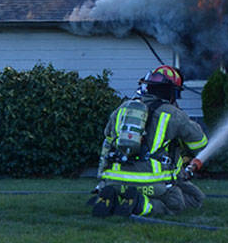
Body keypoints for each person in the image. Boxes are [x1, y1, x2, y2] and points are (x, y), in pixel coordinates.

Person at [88, 65, 208, 218]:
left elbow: (108, 140)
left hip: (114, 180)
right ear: (172, 92)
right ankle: (141, 204)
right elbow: (200, 144)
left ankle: (112, 200)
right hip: (150, 183)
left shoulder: (122, 109)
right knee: (185, 201)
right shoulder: (173, 114)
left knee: (122, 190)